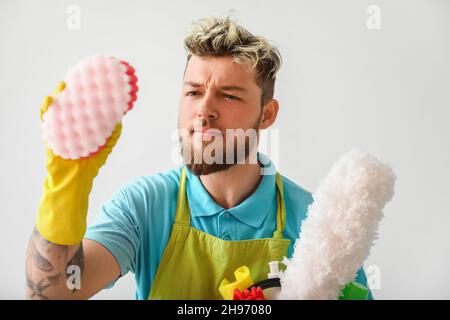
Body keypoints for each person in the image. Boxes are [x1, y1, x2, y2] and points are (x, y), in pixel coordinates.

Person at [26, 15, 372, 300]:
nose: (204, 110)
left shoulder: (316, 223)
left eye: (229, 96)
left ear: (267, 115)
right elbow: (55, 293)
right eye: (193, 92)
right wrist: (67, 182)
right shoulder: (144, 206)